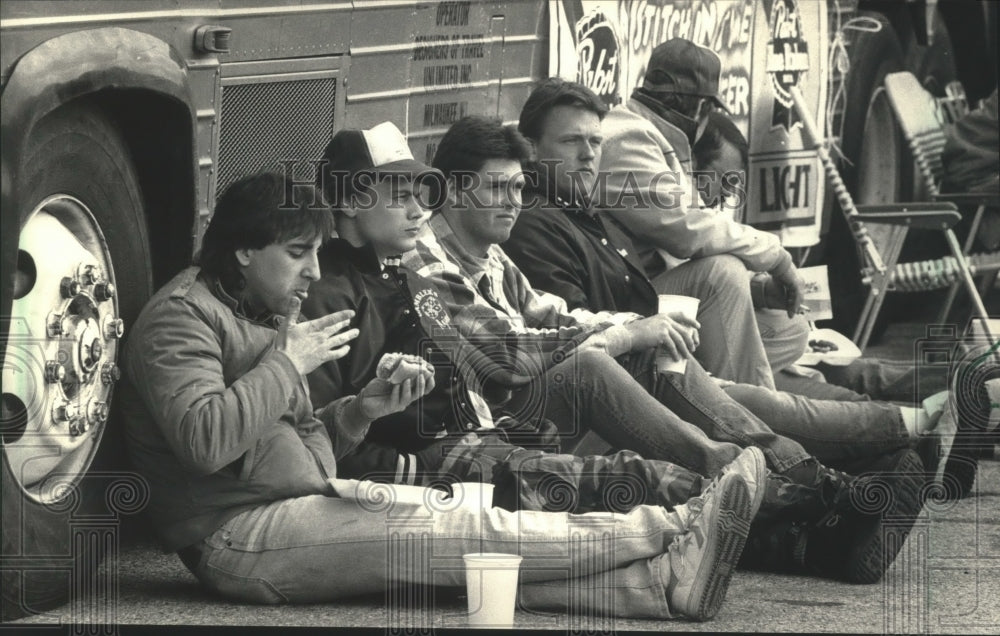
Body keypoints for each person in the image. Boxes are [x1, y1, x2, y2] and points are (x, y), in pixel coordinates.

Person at [117, 169, 765, 621]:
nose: (313, 272)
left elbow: (295, 438)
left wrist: (364, 408)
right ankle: (673, 530)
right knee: (462, 527)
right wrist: (289, 363)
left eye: (316, 253)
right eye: (296, 255)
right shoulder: (180, 319)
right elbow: (204, 441)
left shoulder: (263, 304)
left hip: (296, 498)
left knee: (466, 563)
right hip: (234, 537)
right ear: (240, 253)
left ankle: (654, 586)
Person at [402, 115, 929, 583]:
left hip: (537, 412)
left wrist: (642, 326)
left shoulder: (489, 252)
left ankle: (818, 485)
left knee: (662, 355)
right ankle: (816, 490)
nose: (513, 202)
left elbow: (553, 313)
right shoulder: (428, 262)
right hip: (492, 432)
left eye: (518, 188)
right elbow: (510, 357)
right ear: (451, 190)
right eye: (497, 189)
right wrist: (627, 333)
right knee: (595, 365)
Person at [502, 79, 978, 499]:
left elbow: (617, 309)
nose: (589, 154)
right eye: (571, 142)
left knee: (777, 385)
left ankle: (892, 446)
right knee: (759, 403)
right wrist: (648, 332)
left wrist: (682, 321)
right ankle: (904, 436)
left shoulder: (577, 210)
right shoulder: (536, 224)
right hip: (621, 394)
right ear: (530, 148)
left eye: (593, 141)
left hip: (654, 366)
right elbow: (580, 334)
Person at [301, 122, 765, 527]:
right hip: (435, 465)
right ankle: (770, 492)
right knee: (638, 479)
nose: (418, 211)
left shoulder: (407, 276)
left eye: (420, 196)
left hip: (483, 438)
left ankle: (781, 485)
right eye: (399, 196)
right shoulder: (331, 294)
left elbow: (495, 363)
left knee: (644, 461)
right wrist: (412, 472)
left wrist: (630, 332)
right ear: (349, 201)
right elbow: (324, 441)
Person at [591, 38, 811, 390]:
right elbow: (686, 231)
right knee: (721, 273)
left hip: (656, 297)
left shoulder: (657, 135)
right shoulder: (628, 134)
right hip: (625, 308)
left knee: (790, 329)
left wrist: (758, 289)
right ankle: (751, 415)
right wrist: (777, 257)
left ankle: (718, 391)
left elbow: (685, 239)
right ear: (698, 106)